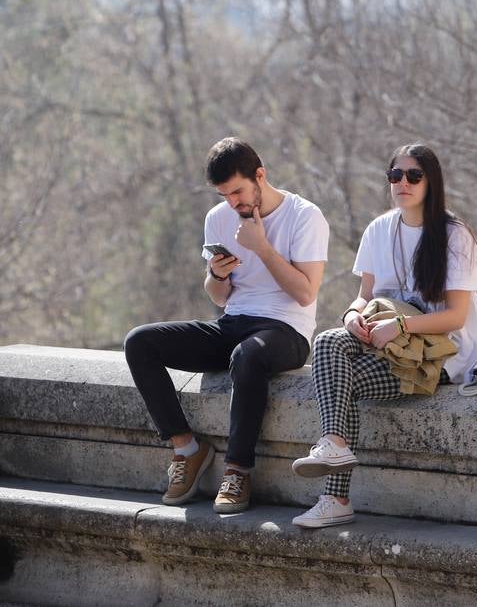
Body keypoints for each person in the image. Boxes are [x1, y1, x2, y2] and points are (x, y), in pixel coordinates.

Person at [123, 138, 329, 514]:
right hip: (233, 321)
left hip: (286, 330)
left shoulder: (304, 215)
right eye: (224, 194)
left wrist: (262, 247)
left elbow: (305, 292)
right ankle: (186, 448)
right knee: (140, 342)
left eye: (237, 191)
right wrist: (216, 276)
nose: (232, 202)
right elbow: (218, 297)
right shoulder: (218, 218)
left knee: (246, 356)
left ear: (260, 176)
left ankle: (237, 470)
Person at [290, 143, 477, 528]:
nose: (403, 183)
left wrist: (399, 326)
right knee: (329, 341)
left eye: (414, 176)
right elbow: (365, 295)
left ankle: (335, 497)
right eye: (395, 176)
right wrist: (351, 315)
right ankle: (334, 445)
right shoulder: (379, 229)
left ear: (432, 182)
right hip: (386, 339)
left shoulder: (455, 235)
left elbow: (456, 316)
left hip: (438, 355)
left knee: (341, 383)